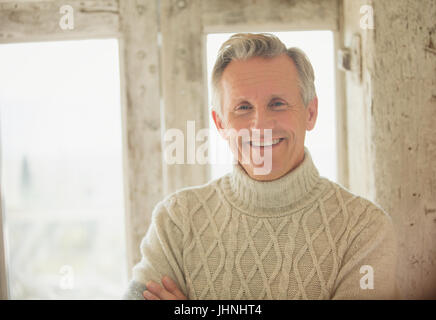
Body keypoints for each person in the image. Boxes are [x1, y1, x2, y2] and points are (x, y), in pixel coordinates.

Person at [122, 33, 399, 300]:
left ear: (310, 113)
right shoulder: (176, 220)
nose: (260, 125)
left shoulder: (364, 229)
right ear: (220, 124)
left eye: (277, 104)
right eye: (243, 108)